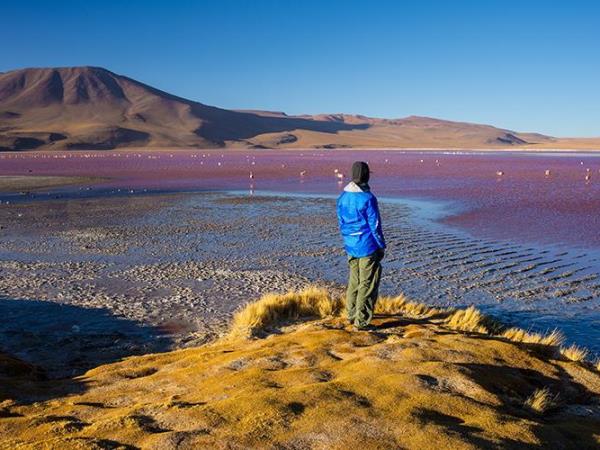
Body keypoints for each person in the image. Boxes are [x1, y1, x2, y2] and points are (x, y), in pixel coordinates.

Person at [336, 161, 386, 330]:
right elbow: (375, 225)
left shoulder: (342, 197)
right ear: (366, 175)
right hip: (367, 246)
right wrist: (381, 246)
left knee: (354, 280)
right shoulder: (368, 198)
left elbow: (341, 222)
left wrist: (348, 239)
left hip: (350, 245)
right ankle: (361, 322)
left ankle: (351, 314)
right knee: (367, 283)